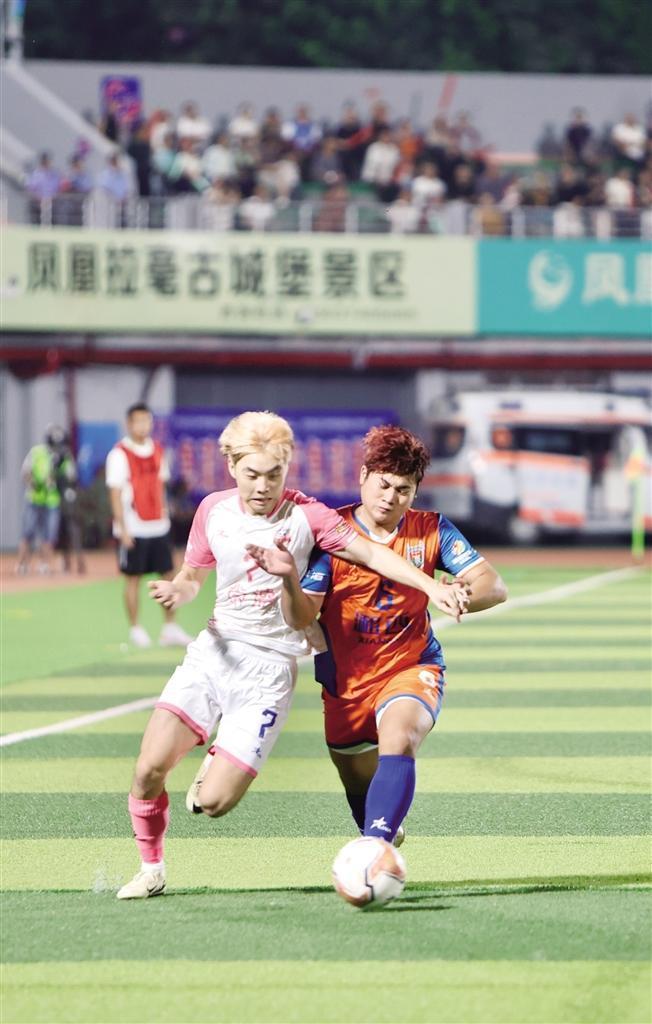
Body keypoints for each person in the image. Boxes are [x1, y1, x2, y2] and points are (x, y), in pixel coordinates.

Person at [117, 412, 469, 899]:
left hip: (268, 672)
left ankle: (218, 755)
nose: (263, 486)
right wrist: (179, 590)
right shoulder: (212, 510)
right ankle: (151, 869)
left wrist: (431, 585)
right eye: (251, 474)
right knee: (147, 769)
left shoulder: (309, 517)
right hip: (214, 652)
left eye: (274, 474)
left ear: (287, 468)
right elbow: (193, 575)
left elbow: (373, 554)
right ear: (232, 466)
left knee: (214, 804)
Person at [245, 425, 507, 848]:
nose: (390, 497)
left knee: (399, 740)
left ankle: (374, 850)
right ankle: (378, 826)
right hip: (345, 684)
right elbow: (301, 616)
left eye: (403, 490)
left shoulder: (431, 529)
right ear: (364, 476)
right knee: (357, 785)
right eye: (383, 484)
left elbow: (493, 586)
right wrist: (289, 579)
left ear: (415, 492)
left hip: (411, 667)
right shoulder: (331, 534)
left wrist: (462, 596)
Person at [105, 403, 192, 650]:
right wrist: (122, 529)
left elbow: (161, 486)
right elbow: (115, 493)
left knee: (168, 575)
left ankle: (170, 627)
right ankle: (135, 628)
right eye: (139, 421)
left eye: (147, 421)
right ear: (129, 424)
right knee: (133, 579)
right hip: (134, 527)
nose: (143, 426)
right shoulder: (119, 454)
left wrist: (166, 517)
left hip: (158, 526)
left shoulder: (158, 451)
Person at [16, 426, 69, 575]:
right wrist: (35, 483)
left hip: (52, 501)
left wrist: (58, 480)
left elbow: (69, 476)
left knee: (49, 534)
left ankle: (44, 564)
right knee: (28, 532)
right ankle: (22, 564)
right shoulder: (37, 452)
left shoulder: (64, 456)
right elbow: (25, 473)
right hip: (34, 498)